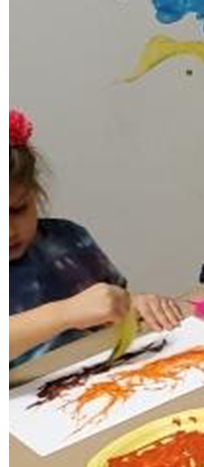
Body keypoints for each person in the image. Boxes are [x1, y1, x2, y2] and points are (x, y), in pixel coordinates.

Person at [0, 105, 187, 373]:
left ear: (35, 191)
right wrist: (63, 314)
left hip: (102, 383)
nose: (6, 231)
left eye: (17, 209)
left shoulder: (69, 241)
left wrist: (134, 304)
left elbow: (109, 306)